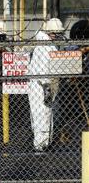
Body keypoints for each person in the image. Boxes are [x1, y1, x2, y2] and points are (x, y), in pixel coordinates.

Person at [27, 18, 64, 151]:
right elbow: (43, 71)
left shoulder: (47, 43)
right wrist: (47, 87)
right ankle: (41, 145)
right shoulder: (45, 46)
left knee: (43, 114)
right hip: (41, 86)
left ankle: (44, 143)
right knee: (42, 114)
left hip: (41, 85)